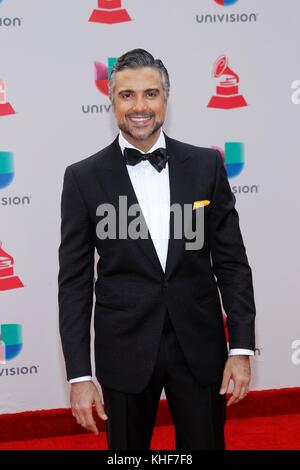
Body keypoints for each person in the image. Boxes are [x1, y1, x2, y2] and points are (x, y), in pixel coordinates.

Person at [58, 48, 256, 450]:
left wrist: (240, 347)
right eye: (127, 95)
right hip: (124, 351)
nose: (139, 107)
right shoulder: (82, 178)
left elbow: (232, 264)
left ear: (166, 99)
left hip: (200, 350)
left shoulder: (207, 166)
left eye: (150, 94)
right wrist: (80, 376)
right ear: (112, 102)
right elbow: (75, 284)